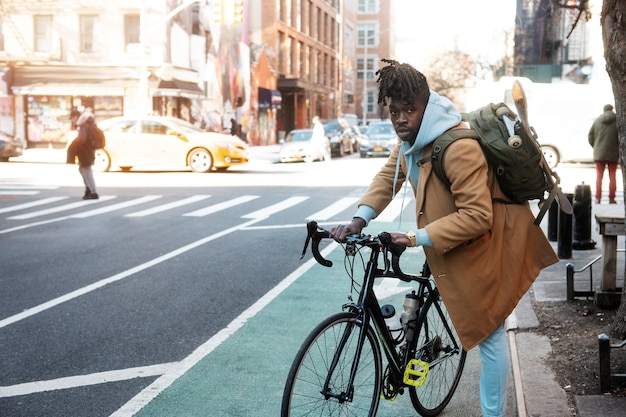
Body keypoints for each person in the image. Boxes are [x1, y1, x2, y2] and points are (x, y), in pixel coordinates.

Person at [330, 59, 558, 417]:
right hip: (452, 241)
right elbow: (387, 176)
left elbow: (478, 216)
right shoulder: (410, 143)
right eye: (394, 111)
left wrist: (413, 236)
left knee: (490, 332)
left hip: (491, 243)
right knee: (473, 320)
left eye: (409, 109)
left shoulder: (457, 147)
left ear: (426, 103)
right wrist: (359, 219)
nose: (401, 118)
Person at [588, 104, 619, 204]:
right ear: (612, 110)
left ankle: (598, 198)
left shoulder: (597, 121)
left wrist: (596, 146)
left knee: (599, 177)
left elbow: (590, 136)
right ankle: (611, 198)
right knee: (612, 176)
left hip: (599, 154)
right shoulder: (618, 121)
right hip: (613, 153)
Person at [67, 110, 99, 199]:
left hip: (85, 152)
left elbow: (82, 139)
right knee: (84, 170)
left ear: (76, 117)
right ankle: (89, 189)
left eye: (72, 118)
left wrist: (76, 146)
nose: (72, 120)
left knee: (86, 171)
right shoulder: (87, 124)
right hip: (88, 151)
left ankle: (93, 191)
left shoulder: (82, 125)